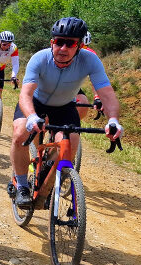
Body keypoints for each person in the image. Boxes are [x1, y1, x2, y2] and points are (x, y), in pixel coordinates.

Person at [9, 17, 123, 206]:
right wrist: (31, 116)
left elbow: (107, 94)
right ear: (51, 42)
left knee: (70, 146)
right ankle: (21, 186)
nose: (63, 48)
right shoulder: (40, 58)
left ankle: (45, 187)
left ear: (79, 46)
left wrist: (113, 120)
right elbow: (25, 94)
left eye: (69, 43)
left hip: (64, 106)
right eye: (58, 42)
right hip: (36, 103)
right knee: (21, 133)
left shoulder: (90, 60)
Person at [75, 31, 102, 119]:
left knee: (83, 103)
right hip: (52, 85)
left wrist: (97, 97)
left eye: (85, 47)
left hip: (72, 87)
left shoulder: (91, 55)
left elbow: (96, 78)